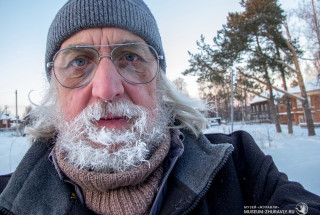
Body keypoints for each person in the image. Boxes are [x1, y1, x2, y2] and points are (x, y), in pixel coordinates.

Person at [0, 0, 319, 214]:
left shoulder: (240, 168)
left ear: (160, 82)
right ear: (54, 88)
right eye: (79, 61)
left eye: (130, 57)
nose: (108, 89)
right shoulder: (8, 199)